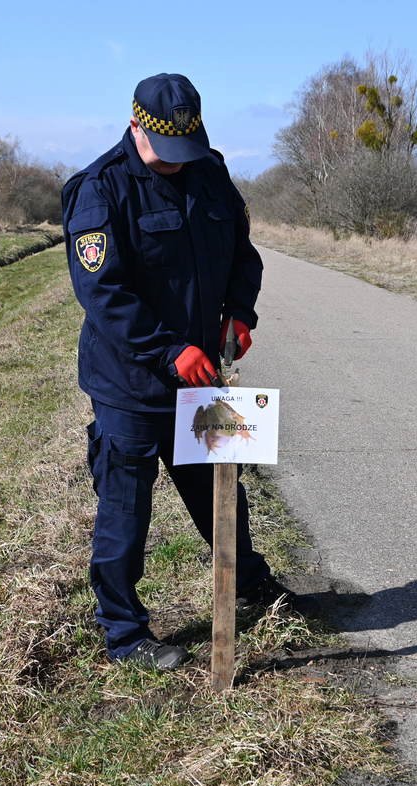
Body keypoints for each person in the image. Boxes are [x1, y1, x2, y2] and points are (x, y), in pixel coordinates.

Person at [61, 73, 294, 671]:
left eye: (185, 153)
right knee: (125, 507)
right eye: (167, 155)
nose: (176, 166)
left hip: (203, 378)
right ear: (136, 127)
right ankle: (124, 632)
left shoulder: (209, 171)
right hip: (131, 384)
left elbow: (243, 252)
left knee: (222, 492)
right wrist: (167, 351)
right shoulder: (100, 190)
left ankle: (250, 585)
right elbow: (103, 294)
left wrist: (240, 311)